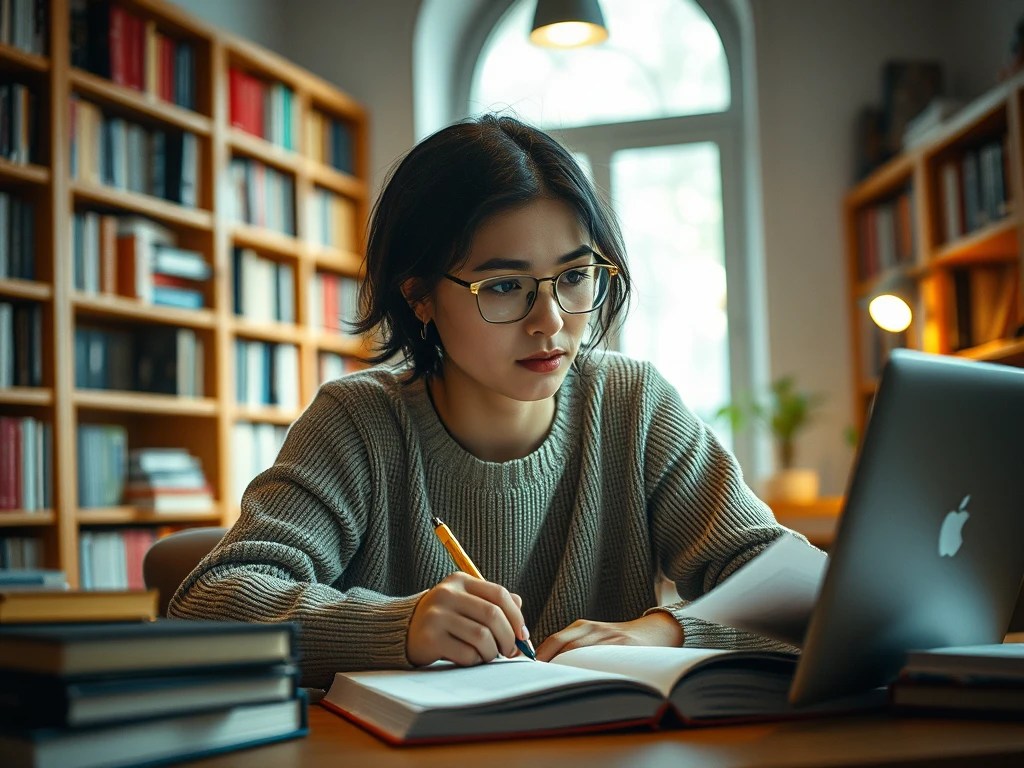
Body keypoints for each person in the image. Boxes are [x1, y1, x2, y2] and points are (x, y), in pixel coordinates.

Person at [169, 114, 800, 689]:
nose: (550, 321)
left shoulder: (634, 405)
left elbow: (798, 595)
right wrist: (402, 626)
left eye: (575, 276)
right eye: (502, 286)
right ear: (418, 296)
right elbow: (209, 603)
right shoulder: (357, 423)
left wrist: (668, 629)